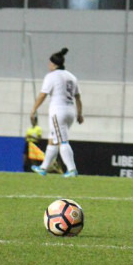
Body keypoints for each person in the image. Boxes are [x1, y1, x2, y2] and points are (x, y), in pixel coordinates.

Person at [30, 48, 84, 178]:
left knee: (62, 140)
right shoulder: (71, 76)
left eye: (49, 63)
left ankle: (72, 169)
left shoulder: (51, 76)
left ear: (53, 64)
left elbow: (43, 95)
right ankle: (43, 168)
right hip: (70, 112)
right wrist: (80, 114)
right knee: (53, 139)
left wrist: (34, 109)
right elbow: (78, 97)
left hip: (57, 111)